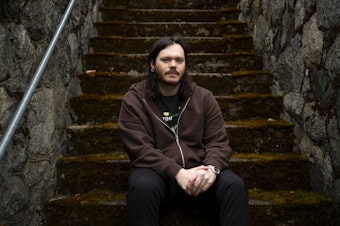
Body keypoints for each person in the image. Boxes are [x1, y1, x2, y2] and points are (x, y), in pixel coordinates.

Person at [118, 35, 252, 226]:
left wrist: (211, 170)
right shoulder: (134, 100)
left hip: (198, 171)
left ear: (185, 65)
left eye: (179, 60)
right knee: (142, 187)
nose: (173, 65)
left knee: (233, 185)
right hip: (157, 173)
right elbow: (140, 148)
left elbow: (218, 142)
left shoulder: (203, 97)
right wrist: (177, 172)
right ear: (152, 64)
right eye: (166, 60)